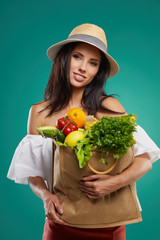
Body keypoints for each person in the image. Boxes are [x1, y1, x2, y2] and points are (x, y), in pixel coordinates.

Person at [7, 23, 160, 240]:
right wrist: (46, 196)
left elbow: (144, 159)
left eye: (93, 63)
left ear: (98, 71)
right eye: (77, 57)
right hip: (60, 222)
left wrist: (115, 182)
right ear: (64, 58)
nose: (83, 68)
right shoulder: (39, 112)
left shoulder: (109, 107)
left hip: (109, 225)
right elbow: (34, 171)